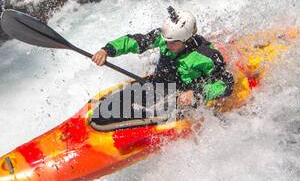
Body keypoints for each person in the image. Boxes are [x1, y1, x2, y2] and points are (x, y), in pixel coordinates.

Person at [92, 6, 234, 109]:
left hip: (183, 99)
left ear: (186, 40)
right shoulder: (165, 38)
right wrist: (107, 50)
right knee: (111, 107)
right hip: (158, 87)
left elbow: (226, 82)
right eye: (165, 40)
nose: (166, 45)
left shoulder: (207, 56)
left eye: (172, 42)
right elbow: (136, 41)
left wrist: (195, 94)